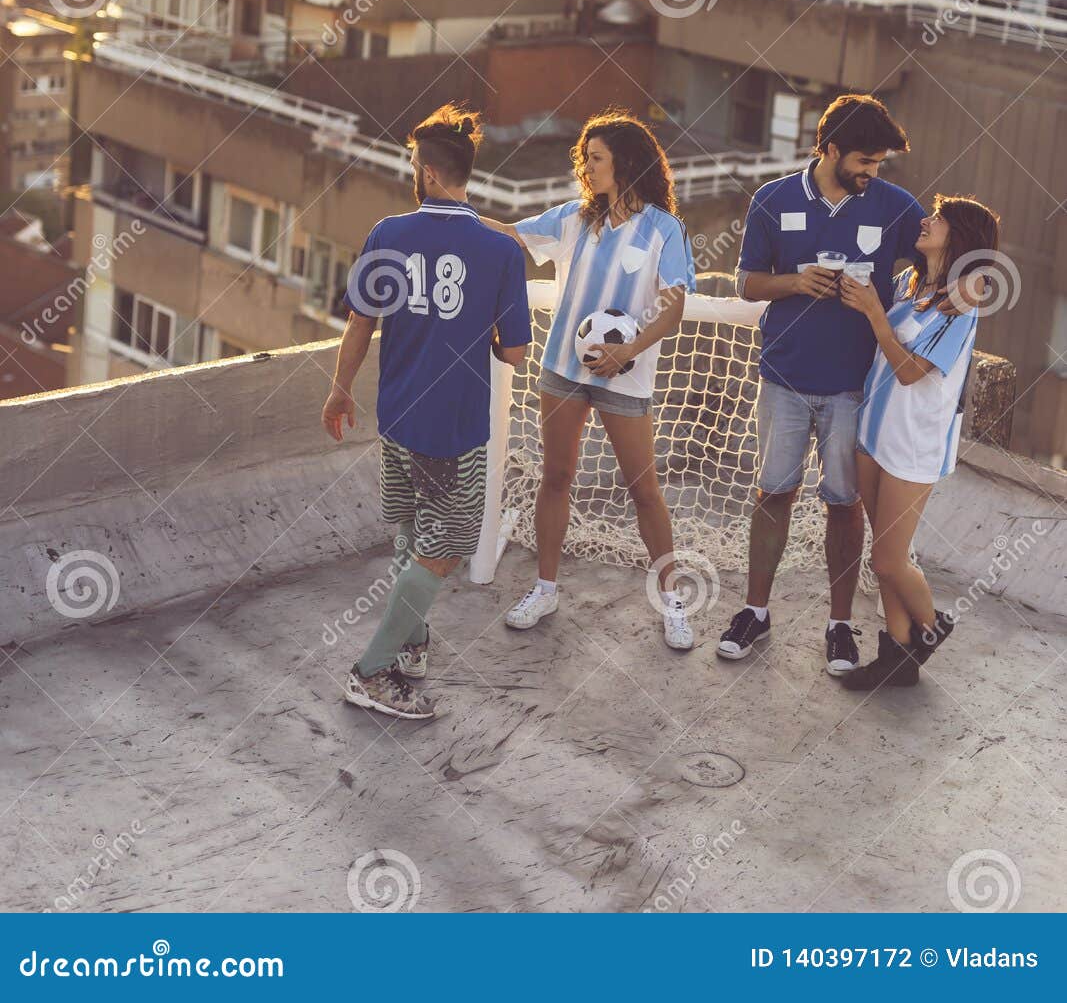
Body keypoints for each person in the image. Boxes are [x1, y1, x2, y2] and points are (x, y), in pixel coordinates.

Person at [321, 104, 531, 721]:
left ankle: (411, 645)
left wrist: (339, 389)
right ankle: (371, 671)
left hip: (398, 418)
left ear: (432, 174)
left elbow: (361, 322)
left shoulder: (388, 234)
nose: (412, 173)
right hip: (454, 426)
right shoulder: (499, 250)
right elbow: (514, 351)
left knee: (413, 534)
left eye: (415, 164)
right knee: (446, 548)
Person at [718, 93, 934, 676]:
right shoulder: (773, 198)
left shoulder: (895, 206)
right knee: (774, 495)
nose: (873, 172)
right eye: (866, 160)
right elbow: (746, 284)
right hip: (784, 378)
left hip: (855, 388)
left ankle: (839, 626)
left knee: (844, 505)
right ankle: (755, 612)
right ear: (831, 149)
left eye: (881, 164)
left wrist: (926, 303)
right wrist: (794, 282)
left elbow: (941, 255)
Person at [482, 110, 697, 649]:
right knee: (555, 478)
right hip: (561, 370)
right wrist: (455, 214)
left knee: (643, 490)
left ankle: (672, 602)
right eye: (585, 158)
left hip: (625, 377)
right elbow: (510, 237)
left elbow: (672, 308)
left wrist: (627, 350)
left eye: (595, 158)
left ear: (624, 162)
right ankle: (545, 588)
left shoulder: (663, 229)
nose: (587, 168)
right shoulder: (574, 219)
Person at [837, 194, 999, 690]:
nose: (926, 221)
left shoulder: (961, 306)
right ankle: (899, 656)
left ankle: (931, 628)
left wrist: (873, 312)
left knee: (888, 559)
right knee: (883, 553)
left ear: (961, 239)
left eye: (940, 219)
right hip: (873, 429)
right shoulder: (910, 282)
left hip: (914, 445)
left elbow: (909, 372)